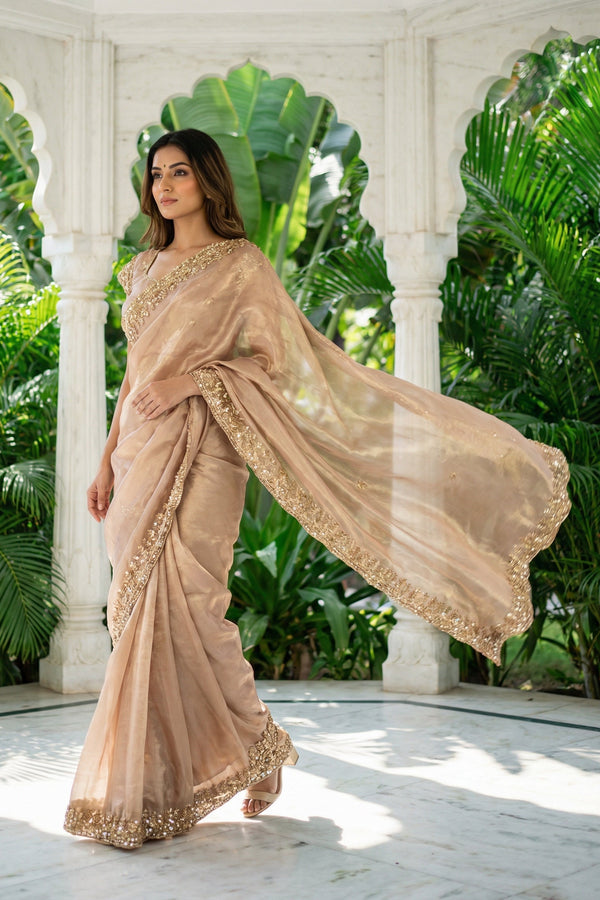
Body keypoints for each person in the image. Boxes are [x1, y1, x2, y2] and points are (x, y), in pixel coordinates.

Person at [64, 129, 570, 850]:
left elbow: (271, 366)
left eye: (180, 172)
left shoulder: (240, 265)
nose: (165, 185)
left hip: (207, 450)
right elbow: (134, 380)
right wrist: (107, 459)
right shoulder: (141, 269)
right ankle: (161, 781)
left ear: (208, 182)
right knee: (141, 613)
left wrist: (193, 382)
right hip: (141, 455)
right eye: (156, 175)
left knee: (197, 611)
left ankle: (255, 745)